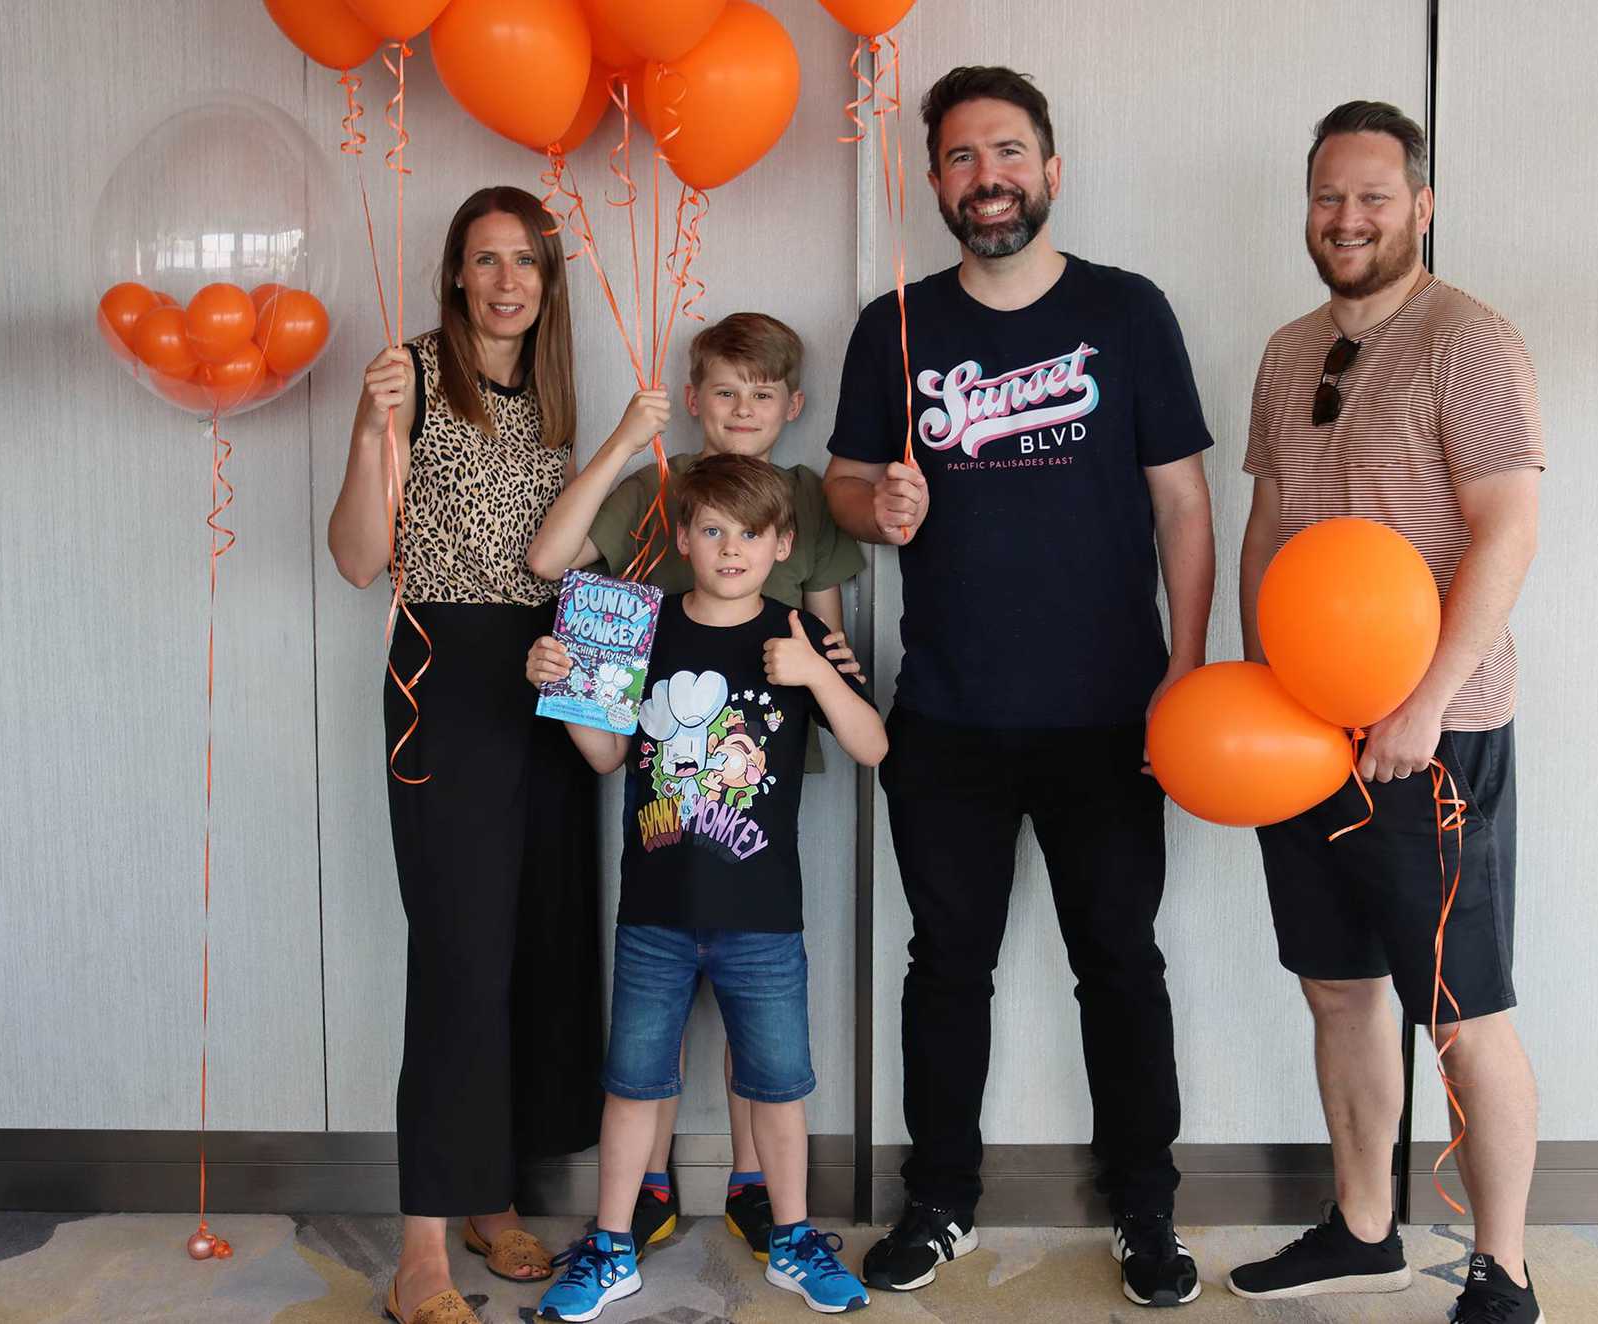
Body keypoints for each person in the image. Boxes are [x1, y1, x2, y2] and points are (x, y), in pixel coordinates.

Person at [822, 65, 1216, 1308]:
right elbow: (838, 485)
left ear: (1050, 168)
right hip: (944, 716)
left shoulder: (1128, 310)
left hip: (1111, 713)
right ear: (934, 182)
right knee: (947, 967)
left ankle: (1144, 1208)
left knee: (1123, 964)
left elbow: (1183, 505)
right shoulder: (893, 325)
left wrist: (1186, 677)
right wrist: (872, 505)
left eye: (1006, 152)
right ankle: (938, 1199)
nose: (984, 177)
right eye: (958, 158)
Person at [1228, 101, 1546, 1324]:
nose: (1346, 218)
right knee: (1338, 987)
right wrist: (1250, 685)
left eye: (1372, 197)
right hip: (1300, 737)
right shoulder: (1284, 347)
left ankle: (1503, 1269)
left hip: (1432, 737)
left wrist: (1422, 703)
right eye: (1327, 196)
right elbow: (1267, 525)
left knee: (1461, 1013)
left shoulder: (1467, 340)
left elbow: (1507, 529)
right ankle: (1364, 1228)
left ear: (1420, 204)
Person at [526, 310, 868, 1257]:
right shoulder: (653, 490)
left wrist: (830, 677)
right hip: (659, 769)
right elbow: (553, 565)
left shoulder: (804, 495)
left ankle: (761, 1187)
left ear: (793, 406)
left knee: (759, 1018)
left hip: (762, 764)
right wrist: (630, 441)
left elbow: (828, 627)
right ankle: (646, 1188)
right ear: (693, 400)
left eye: (764, 395)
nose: (744, 410)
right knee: (657, 1009)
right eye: (724, 391)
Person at [326, 185, 605, 1324]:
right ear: (454, 274)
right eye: (484, 260)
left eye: (525, 262)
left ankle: (494, 1196)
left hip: (549, 669)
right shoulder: (411, 375)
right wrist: (362, 430)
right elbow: (356, 559)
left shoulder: (552, 392)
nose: (506, 281)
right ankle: (423, 1251)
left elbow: (564, 549)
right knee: (458, 956)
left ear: (547, 280)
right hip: (444, 673)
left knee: (539, 943)